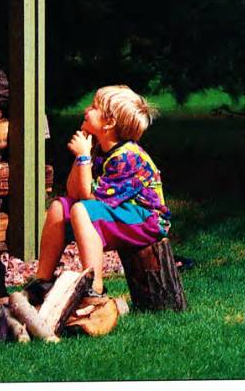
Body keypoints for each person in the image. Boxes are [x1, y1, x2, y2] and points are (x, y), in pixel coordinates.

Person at [25, 84, 171, 304]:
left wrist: (84, 158)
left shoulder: (127, 156)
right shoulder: (100, 149)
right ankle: (43, 281)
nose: (86, 110)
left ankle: (94, 289)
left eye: (94, 107)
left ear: (109, 123)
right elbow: (73, 191)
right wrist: (82, 157)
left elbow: (87, 199)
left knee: (81, 209)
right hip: (120, 214)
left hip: (147, 220)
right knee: (59, 206)